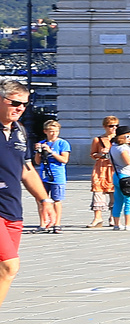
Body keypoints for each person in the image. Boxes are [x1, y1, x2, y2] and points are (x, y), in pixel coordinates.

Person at [0, 80, 53, 307]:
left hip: (12, 210)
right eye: (15, 102)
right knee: (10, 265)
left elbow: (26, 168)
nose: (20, 108)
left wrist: (44, 199)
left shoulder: (20, 132)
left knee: (4, 269)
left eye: (24, 104)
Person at [34, 118, 68, 233]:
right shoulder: (43, 143)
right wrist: (39, 151)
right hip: (44, 176)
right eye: (51, 131)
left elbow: (64, 160)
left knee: (57, 200)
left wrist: (51, 152)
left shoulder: (62, 143)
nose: (53, 133)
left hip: (57, 176)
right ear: (45, 131)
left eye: (56, 131)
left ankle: (57, 224)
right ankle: (43, 224)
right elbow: (37, 162)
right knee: (41, 200)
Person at [86, 115, 118, 229]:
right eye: (111, 126)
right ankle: (97, 218)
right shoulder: (98, 140)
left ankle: (113, 217)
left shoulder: (120, 139)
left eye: (116, 126)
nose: (114, 128)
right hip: (101, 168)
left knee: (114, 193)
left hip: (114, 168)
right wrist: (101, 154)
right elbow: (93, 154)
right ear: (105, 126)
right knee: (98, 191)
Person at [108, 126, 130, 231]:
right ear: (122, 137)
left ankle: (117, 224)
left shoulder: (113, 147)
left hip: (116, 175)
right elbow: (128, 161)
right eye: (128, 136)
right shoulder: (123, 148)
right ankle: (128, 224)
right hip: (127, 176)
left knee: (118, 200)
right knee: (129, 200)